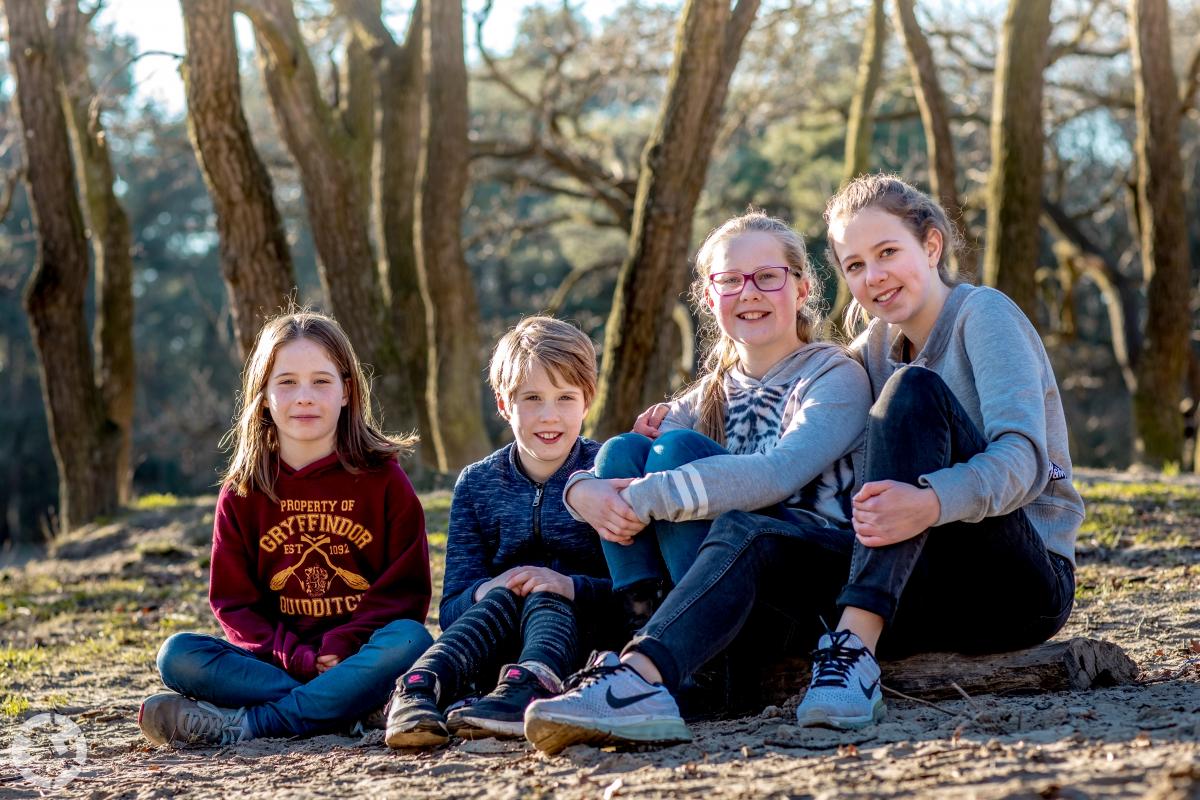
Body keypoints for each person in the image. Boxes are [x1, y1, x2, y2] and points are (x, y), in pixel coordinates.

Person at [523, 211, 871, 753]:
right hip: (713, 586)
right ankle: (653, 643)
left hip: (795, 580)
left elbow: (777, 474)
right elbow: (615, 467)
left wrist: (645, 497)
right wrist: (581, 491)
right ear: (710, 298)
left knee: (676, 450)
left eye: (767, 276)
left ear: (802, 287)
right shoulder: (707, 393)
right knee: (624, 447)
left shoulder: (834, 375)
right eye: (729, 280)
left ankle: (700, 662)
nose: (748, 292)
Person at [785, 173, 1082, 730]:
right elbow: (795, 396)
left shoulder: (983, 315)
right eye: (854, 265)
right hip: (927, 581)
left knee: (914, 389)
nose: (873, 277)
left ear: (931, 245)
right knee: (773, 541)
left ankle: (853, 648)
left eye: (888, 252)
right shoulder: (871, 348)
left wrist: (929, 502)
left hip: (1021, 581)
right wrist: (680, 413)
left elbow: (1023, 460)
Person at [138, 311, 433, 747]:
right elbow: (233, 604)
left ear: (347, 392)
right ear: (263, 397)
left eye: (321, 381)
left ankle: (248, 725)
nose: (305, 397)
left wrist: (345, 643)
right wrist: (293, 656)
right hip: (272, 663)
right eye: (287, 382)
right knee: (178, 656)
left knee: (410, 640)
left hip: (359, 656)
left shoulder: (384, 481)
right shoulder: (243, 491)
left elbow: (405, 594)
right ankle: (348, 708)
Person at [384, 316, 620, 748]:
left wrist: (569, 585)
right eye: (532, 398)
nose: (549, 415)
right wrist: (492, 588)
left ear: (588, 401)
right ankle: (418, 687)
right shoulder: (477, 484)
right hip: (495, 643)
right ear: (503, 404)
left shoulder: (609, 471)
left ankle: (530, 688)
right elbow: (452, 606)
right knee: (503, 592)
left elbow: (634, 596)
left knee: (544, 592)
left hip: (580, 641)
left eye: (565, 397)